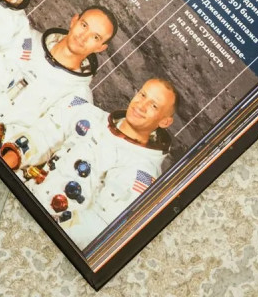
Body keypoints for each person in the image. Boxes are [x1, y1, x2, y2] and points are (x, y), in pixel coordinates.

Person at [0, 6, 117, 171]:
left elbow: (44, 140)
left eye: (95, 37)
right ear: (74, 21)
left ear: (101, 47)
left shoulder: (79, 98)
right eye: (84, 25)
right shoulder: (26, 40)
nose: (83, 37)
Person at [24, 78, 178, 249]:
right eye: (142, 95)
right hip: (27, 192)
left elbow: (99, 224)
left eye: (154, 106)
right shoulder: (91, 116)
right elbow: (41, 140)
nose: (141, 106)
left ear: (164, 122)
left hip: (49, 232)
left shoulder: (142, 172)